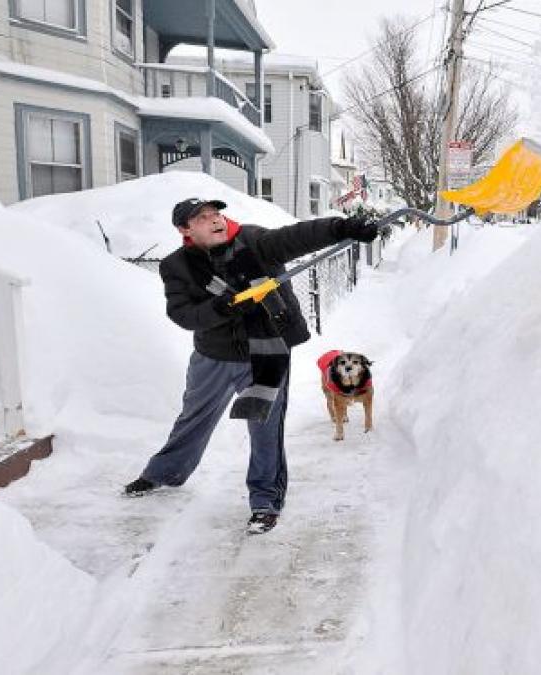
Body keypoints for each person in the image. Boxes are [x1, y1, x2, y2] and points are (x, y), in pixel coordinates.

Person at [123, 198, 381, 534]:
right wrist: (220, 308)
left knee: (265, 429)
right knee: (193, 418)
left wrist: (342, 227)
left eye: (216, 213)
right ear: (185, 230)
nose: (215, 220)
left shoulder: (254, 243)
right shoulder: (178, 266)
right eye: (202, 218)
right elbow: (182, 313)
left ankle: (265, 501)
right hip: (212, 356)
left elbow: (298, 236)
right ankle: (164, 473)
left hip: (266, 352)